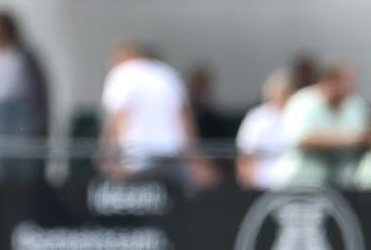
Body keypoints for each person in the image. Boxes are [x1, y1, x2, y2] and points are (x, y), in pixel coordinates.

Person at [96, 42, 215, 186]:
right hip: (171, 154)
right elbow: (184, 118)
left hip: (136, 157)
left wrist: (108, 154)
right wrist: (192, 154)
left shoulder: (122, 74)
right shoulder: (167, 74)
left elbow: (120, 117)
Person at [0, 9, 49, 183]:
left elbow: (38, 88)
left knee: (20, 155)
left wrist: (39, 118)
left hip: (19, 110)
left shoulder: (22, 54)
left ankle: (21, 195)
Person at [275, 63, 369, 189]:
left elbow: (365, 136)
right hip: (304, 179)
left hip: (345, 180)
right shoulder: (303, 102)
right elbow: (302, 138)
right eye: (344, 82)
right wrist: (350, 139)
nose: (349, 86)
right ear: (329, 81)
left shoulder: (355, 105)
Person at [235, 69, 292, 190]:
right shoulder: (256, 118)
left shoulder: (297, 116)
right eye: (281, 93)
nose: (283, 97)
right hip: (261, 184)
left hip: (292, 183)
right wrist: (247, 181)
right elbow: (245, 155)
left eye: (287, 93)